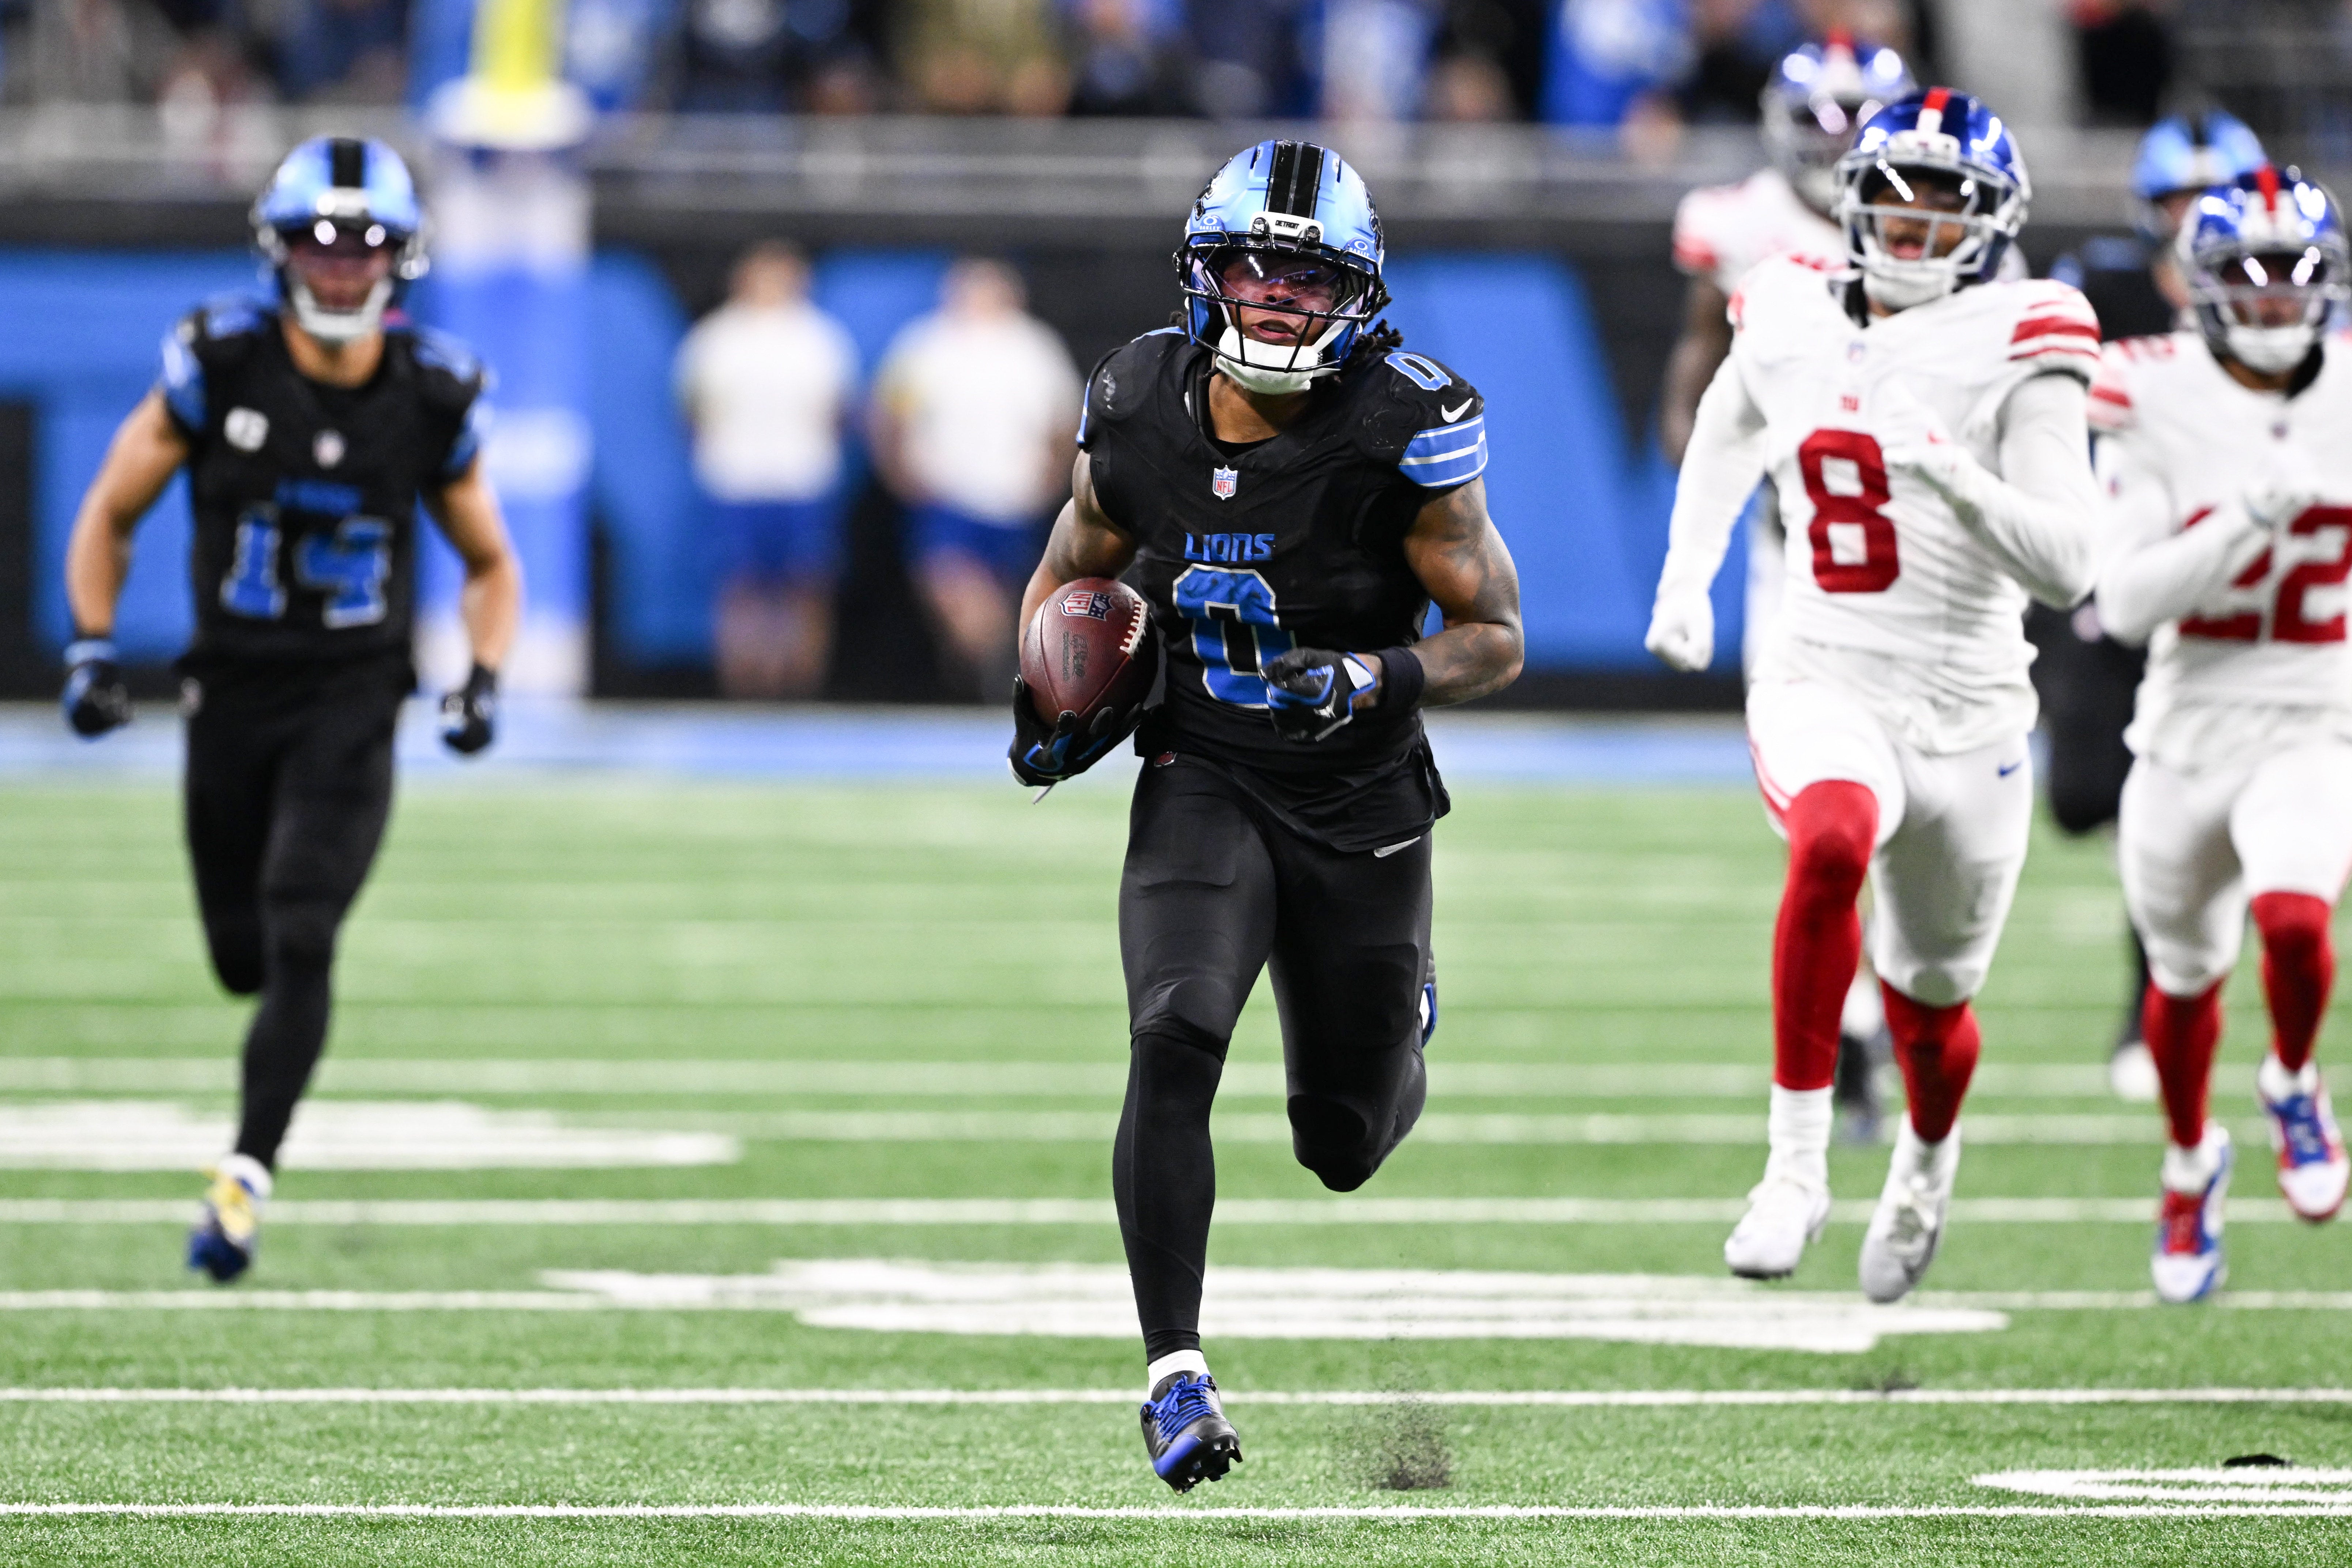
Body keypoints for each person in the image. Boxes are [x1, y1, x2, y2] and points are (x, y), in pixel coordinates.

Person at [1009, 139, 1523, 1489]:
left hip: (1358, 795)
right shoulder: (1134, 400)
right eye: (1254, 267)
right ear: (1204, 271)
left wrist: (1373, 673)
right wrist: (1049, 690)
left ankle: (1398, 1000)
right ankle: (1171, 1368)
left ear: (1354, 295)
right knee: (1172, 1031)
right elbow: (1075, 565)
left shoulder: (1399, 421)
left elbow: (1495, 634)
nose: (1277, 300)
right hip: (1205, 770)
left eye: (1307, 279)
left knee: (1340, 1139)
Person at [1646, 88, 2102, 1301]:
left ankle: (1926, 1160)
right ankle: (1793, 1169)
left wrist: (1957, 480)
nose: (1911, 220)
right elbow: (1730, 428)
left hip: (1973, 711)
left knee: (1932, 1002)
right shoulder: (1789, 299)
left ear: (1992, 220)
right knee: (1831, 837)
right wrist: (1688, 578)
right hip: (1825, 668)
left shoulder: (2029, 334)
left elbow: (2070, 560)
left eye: (1943, 199)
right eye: (1894, 192)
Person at [59, 136, 520, 1282]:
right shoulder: (219, 360)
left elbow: (490, 563)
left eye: (364, 243)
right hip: (228, 687)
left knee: (301, 920)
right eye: (321, 239)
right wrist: (93, 643)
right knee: (241, 953)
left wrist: (483, 674)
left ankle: (244, 1176)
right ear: (280, 249)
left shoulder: (430, 390)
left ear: (399, 259)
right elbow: (111, 510)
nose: (342, 265)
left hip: (353, 694)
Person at [2088, 166, 2352, 1304]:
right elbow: (2127, 602)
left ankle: (2293, 1078)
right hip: (2186, 727)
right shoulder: (2148, 392)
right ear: (2197, 287)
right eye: (2246, 274)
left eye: (2295, 275)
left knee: (2293, 919)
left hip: (2313, 717)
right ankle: (2189, 1157)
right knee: (2184, 977)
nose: (2273, 299)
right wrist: (2244, 520)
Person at [1662, 32, 1916, 1142]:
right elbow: (1692, 387)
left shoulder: (1936, 223)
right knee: (1824, 806)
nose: (1843, 143)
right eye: (1823, 120)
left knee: (1924, 801)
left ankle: (1900, 1001)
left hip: (1921, 555)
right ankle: (1853, 1032)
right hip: (1792, 552)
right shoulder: (1736, 224)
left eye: (1861, 119)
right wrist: (1710, 495)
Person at [2040, 110, 2269, 1104]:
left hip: (2236, 589)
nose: (2201, 221)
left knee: (2165, 794)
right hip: (2117, 569)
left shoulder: (2286, 310)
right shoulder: (2100, 290)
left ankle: (2154, 1006)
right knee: (2085, 794)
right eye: (2183, 201)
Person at [872, 258, 1081, 700]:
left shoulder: (1034, 348)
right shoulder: (928, 345)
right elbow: (890, 412)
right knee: (951, 586)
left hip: (1010, 495)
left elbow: (1064, 420)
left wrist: (1051, 477)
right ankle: (989, 668)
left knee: (1000, 596)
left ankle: (980, 679)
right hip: (948, 493)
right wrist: (900, 471)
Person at [675, 241, 857, 699]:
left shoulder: (820, 338)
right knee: (740, 588)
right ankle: (746, 688)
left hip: (802, 480)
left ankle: (798, 688)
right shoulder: (716, 339)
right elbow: (692, 411)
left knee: (806, 587)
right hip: (735, 481)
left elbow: (840, 410)